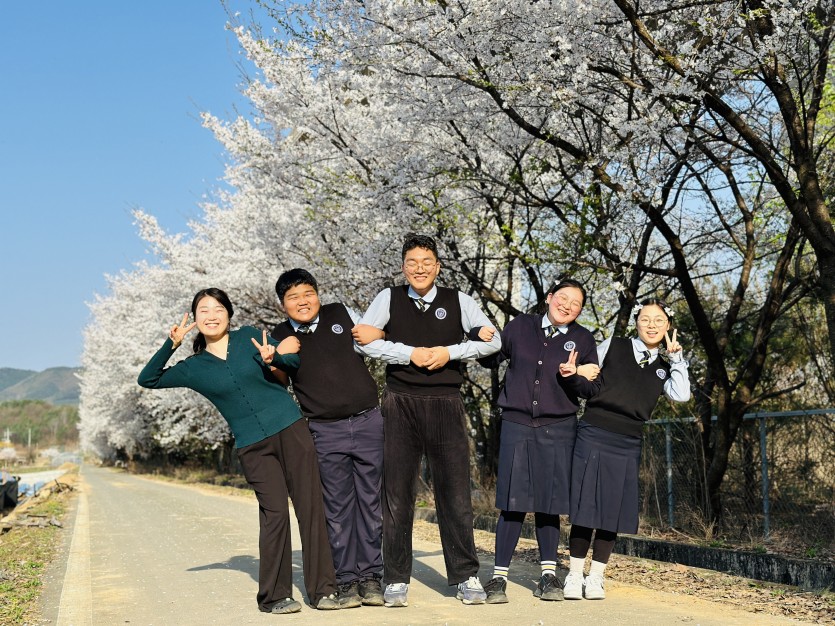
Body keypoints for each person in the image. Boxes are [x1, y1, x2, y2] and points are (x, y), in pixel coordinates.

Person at [137, 287, 339, 615]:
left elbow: (294, 360)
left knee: (310, 507)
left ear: (229, 314)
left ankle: (323, 590)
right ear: (196, 320)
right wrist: (170, 345)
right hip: (252, 446)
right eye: (203, 311)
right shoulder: (193, 367)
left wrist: (276, 358)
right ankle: (275, 596)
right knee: (274, 515)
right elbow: (148, 379)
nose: (211, 315)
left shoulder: (249, 337)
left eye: (218, 309)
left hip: (291, 430)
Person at [352, 233, 501, 607]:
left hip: (446, 402)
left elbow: (493, 340)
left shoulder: (458, 300)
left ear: (437, 266)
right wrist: (409, 354)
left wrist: (448, 352)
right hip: (400, 403)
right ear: (404, 266)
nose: (419, 269)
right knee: (397, 495)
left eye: (427, 262)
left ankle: (466, 576)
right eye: (412, 262)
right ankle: (396, 578)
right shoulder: (389, 298)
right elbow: (362, 341)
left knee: (455, 495)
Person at [473, 279, 599, 604]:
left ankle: (548, 576)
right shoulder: (519, 326)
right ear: (549, 298)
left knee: (550, 503)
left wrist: (575, 377)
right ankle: (498, 578)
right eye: (563, 298)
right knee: (512, 503)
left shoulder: (582, 339)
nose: (568, 305)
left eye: (576, 303)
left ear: (580, 311)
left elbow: (591, 391)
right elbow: (490, 358)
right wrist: (480, 337)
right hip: (516, 424)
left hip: (559, 428)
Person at [558, 298, 690, 600]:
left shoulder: (666, 365)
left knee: (612, 510)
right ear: (637, 323)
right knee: (585, 506)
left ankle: (596, 577)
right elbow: (587, 372)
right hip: (593, 431)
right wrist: (576, 370)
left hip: (628, 440)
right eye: (645, 319)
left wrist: (678, 359)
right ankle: (574, 574)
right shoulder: (613, 345)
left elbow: (681, 396)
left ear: (668, 326)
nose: (652, 325)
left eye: (658, 320)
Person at [270, 268, 385, 609]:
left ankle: (371, 577)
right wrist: (276, 355)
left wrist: (377, 330)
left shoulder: (339, 312)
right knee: (336, 508)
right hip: (324, 429)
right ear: (283, 305)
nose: (302, 302)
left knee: (371, 502)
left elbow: (375, 335)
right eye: (293, 297)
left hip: (368, 421)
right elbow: (276, 380)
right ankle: (346, 580)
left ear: (318, 295)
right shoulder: (278, 335)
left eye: (307, 293)